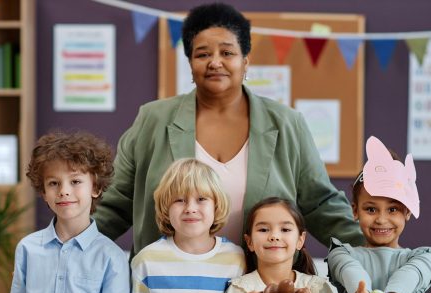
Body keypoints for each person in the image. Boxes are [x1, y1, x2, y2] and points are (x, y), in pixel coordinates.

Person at [93, 2, 363, 257]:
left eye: (227, 52)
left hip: (260, 286)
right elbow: (116, 204)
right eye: (203, 54)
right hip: (168, 283)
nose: (215, 62)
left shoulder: (287, 123)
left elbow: (320, 205)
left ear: (245, 60)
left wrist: (375, 252)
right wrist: (67, 248)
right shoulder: (152, 119)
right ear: (190, 63)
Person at [9, 131, 130, 293]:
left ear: (95, 188)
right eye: (53, 183)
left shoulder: (112, 257)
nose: (64, 191)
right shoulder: (27, 249)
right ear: (43, 192)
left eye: (75, 182)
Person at [326, 136, 431, 293]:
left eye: (393, 209)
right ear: (355, 211)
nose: (381, 219)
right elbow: (351, 270)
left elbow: (409, 275)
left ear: (408, 211)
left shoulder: (424, 258)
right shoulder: (341, 254)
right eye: (371, 209)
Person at [131, 158, 245, 293]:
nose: (190, 209)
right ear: (166, 207)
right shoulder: (145, 261)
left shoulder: (236, 259)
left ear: (216, 205)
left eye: (201, 199)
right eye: (179, 200)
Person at [223, 197, 338, 293]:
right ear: (249, 242)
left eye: (285, 229)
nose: (274, 236)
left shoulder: (318, 289)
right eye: (263, 229)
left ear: (300, 240)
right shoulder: (239, 290)